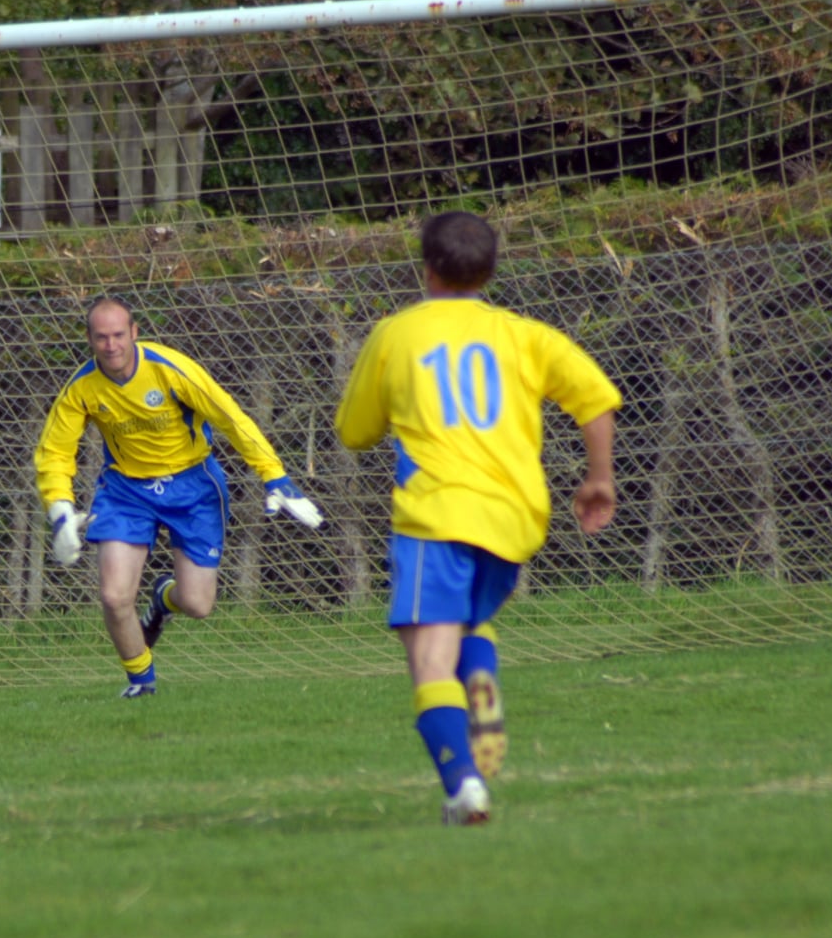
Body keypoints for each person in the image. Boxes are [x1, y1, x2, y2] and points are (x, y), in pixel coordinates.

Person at [334, 211, 620, 825]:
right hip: (514, 517)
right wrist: (598, 478)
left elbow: (354, 432)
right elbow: (595, 397)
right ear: (489, 270)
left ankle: (464, 787)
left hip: (437, 513)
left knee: (429, 660)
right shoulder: (525, 335)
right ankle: (482, 679)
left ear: (428, 269)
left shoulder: (396, 333)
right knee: (467, 624)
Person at [34, 294, 324, 698]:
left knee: (197, 605)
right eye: (101, 337)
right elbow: (56, 451)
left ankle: (163, 598)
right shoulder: (82, 387)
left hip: (193, 486)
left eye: (119, 335)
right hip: (126, 491)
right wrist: (59, 508)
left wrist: (274, 476)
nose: (111, 345)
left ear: (134, 333)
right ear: (90, 339)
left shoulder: (171, 370)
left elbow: (230, 418)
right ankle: (141, 683)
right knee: (114, 596)